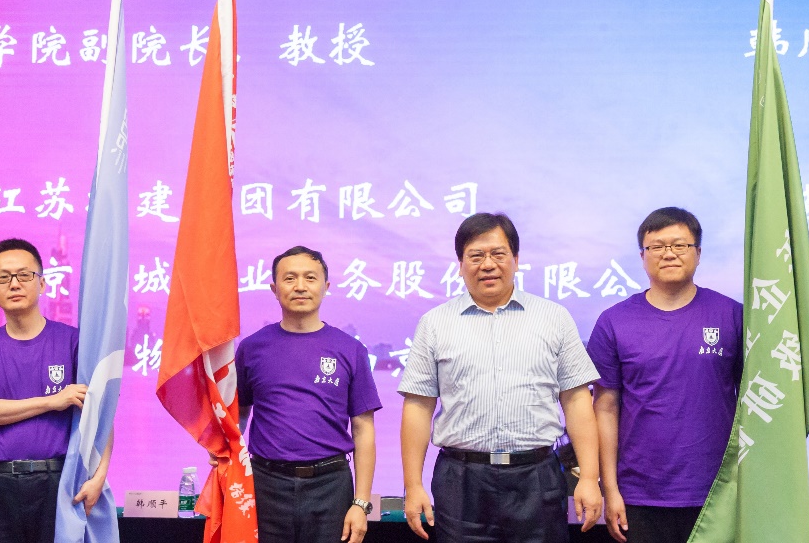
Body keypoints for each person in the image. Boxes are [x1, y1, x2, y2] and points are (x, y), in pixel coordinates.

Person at [399, 212, 603, 543]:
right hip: (461, 481)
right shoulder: (434, 324)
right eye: (476, 256)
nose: (488, 264)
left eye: (498, 254)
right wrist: (412, 485)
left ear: (516, 260)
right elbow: (418, 407)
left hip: (536, 478)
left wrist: (590, 478)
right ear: (460, 265)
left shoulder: (554, 318)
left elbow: (577, 400)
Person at [587, 207, 742, 543]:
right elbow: (605, 408)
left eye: (680, 245)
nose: (668, 253)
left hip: (719, 491)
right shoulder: (614, 321)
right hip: (639, 494)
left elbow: (751, 404)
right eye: (656, 247)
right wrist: (610, 489)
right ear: (643, 256)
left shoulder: (732, 315)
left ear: (698, 252)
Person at [0, 238, 111, 543]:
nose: (14, 284)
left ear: (41, 284)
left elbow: (102, 414)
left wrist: (99, 476)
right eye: (3, 277)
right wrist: (53, 401)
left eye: (24, 275)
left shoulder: (72, 342)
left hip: (59, 483)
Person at [235, 246, 382, 543]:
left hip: (331, 485)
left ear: (325, 287)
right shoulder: (251, 348)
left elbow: (363, 428)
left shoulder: (350, 349)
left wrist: (361, 503)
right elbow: (239, 413)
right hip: (265, 484)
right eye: (290, 278)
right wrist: (223, 450)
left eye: (310, 278)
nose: (300, 286)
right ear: (274, 289)